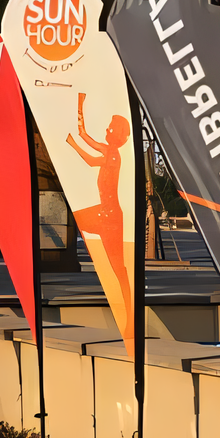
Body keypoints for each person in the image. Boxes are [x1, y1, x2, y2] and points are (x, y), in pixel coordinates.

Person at [67, 92, 133, 344]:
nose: (107, 130)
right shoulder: (109, 151)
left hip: (111, 218)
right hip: (103, 213)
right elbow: (85, 139)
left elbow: (89, 154)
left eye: (111, 128)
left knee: (119, 270)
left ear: (120, 136)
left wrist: (73, 144)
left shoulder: (112, 154)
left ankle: (130, 317)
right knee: (75, 217)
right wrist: (79, 106)